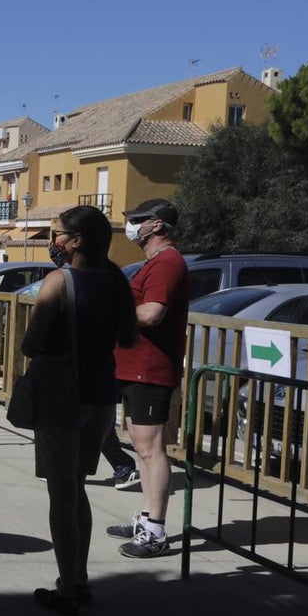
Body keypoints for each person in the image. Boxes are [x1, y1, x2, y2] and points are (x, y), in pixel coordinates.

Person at [22, 206, 138, 616]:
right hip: (102, 398)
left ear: (77, 240)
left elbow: (30, 344)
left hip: (61, 398)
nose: (53, 241)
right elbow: (126, 338)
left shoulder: (59, 282)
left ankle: (68, 587)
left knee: (61, 495)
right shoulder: (115, 280)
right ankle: (80, 578)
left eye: (57, 234)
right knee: (77, 487)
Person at [108, 199, 189, 559]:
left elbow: (152, 314)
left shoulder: (168, 263)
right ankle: (145, 517)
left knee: (152, 450)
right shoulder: (154, 262)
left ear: (156, 225)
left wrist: (111, 311)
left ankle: (155, 530)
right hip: (134, 367)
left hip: (150, 370)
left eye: (137, 220)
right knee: (141, 448)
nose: (132, 226)